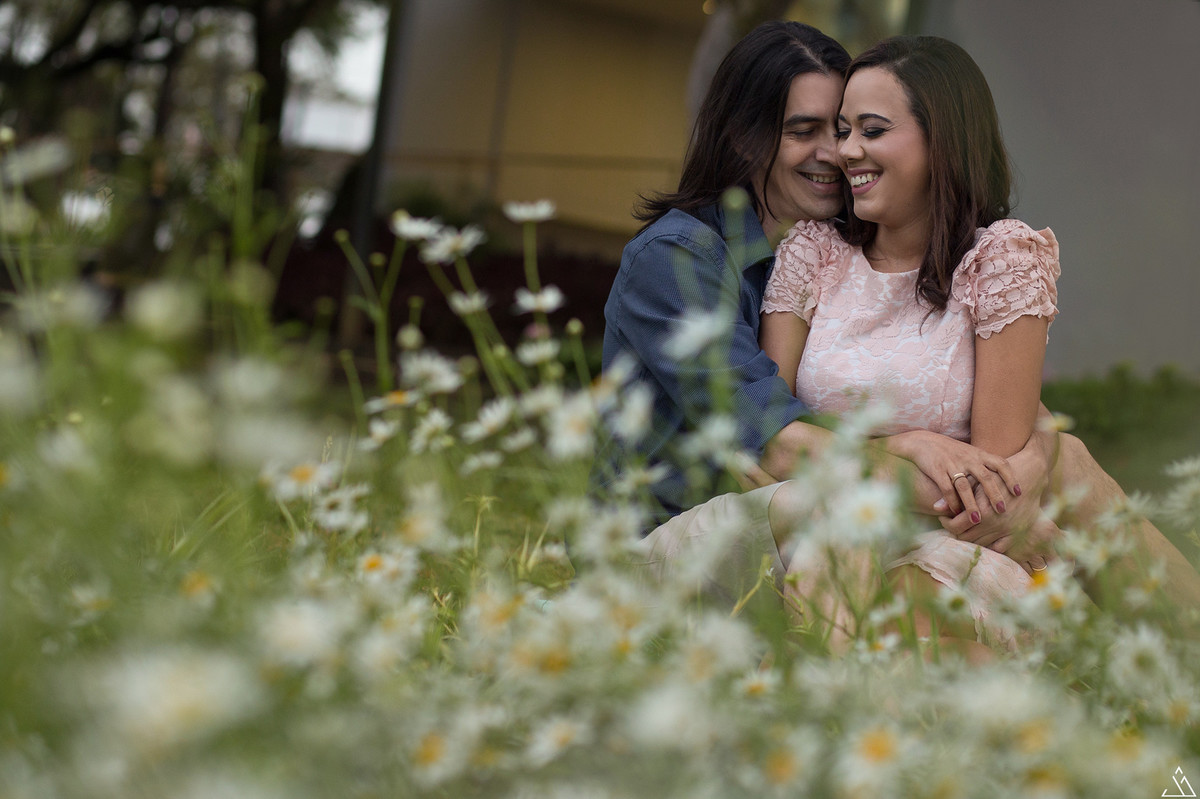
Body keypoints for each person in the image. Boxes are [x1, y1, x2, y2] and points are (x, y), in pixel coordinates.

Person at [596, 22, 1200, 637]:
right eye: (808, 131)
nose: (838, 152)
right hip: (690, 529)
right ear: (744, 136)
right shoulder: (680, 260)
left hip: (823, 504)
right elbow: (775, 445)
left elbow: (965, 400)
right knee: (841, 515)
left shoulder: (805, 250)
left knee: (1064, 458)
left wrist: (1040, 457)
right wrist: (914, 448)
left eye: (849, 129)